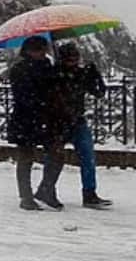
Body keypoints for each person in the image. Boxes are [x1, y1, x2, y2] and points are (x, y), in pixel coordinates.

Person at [48, 43, 112, 208]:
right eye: (71, 58)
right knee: (55, 158)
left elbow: (98, 92)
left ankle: (89, 193)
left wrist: (95, 75)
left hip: (77, 120)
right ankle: (47, 189)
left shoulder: (80, 74)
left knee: (88, 157)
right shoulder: (54, 75)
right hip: (59, 122)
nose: (74, 61)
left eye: (76, 58)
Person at [6, 36, 65, 210]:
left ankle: (46, 190)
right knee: (26, 157)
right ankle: (26, 196)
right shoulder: (20, 69)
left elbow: (54, 88)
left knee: (57, 154)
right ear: (30, 51)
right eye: (39, 50)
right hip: (26, 119)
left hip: (47, 118)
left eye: (44, 49)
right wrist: (43, 97)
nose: (43, 53)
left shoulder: (49, 67)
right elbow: (23, 95)